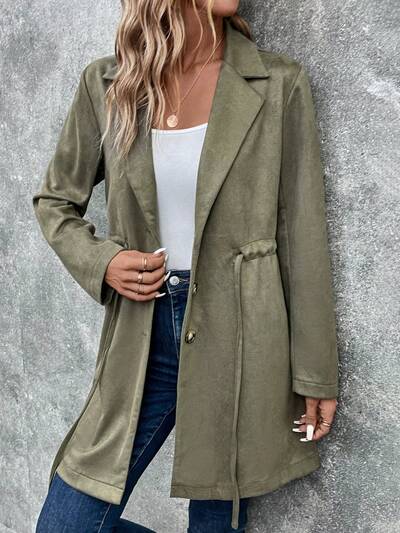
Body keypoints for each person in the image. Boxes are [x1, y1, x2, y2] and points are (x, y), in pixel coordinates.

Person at [32, 0, 339, 531]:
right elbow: (55, 201)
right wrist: (104, 261)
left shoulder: (277, 83)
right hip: (142, 334)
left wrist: (315, 373)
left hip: (242, 340)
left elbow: (303, 236)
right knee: (66, 524)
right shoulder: (108, 85)